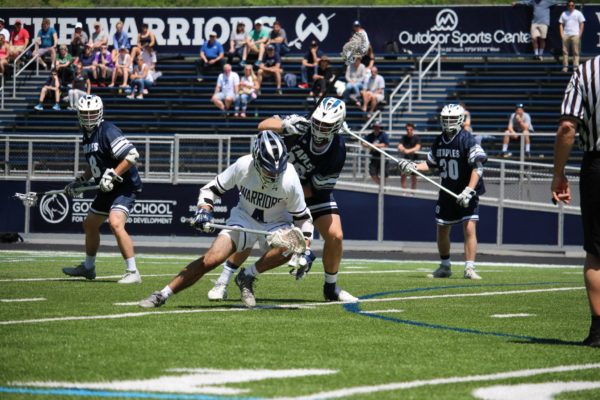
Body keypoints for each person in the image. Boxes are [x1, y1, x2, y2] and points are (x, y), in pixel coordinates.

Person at [139, 131, 314, 308]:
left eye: (277, 168)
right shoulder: (243, 165)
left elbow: (303, 217)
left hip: (276, 223)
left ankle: (248, 276)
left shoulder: (289, 178)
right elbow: (211, 190)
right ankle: (162, 294)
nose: (274, 174)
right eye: (268, 168)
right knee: (211, 259)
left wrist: (305, 248)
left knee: (293, 243)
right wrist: (204, 211)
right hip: (244, 217)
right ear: (256, 159)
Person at [206, 98, 357, 303]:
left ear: (337, 125)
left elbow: (316, 189)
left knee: (336, 236)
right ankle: (222, 281)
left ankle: (330, 288)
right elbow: (262, 126)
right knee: (249, 230)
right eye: (318, 122)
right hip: (274, 185)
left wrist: (305, 247)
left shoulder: (338, 149)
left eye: (326, 125)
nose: (320, 128)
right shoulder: (300, 125)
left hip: (308, 192)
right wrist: (285, 125)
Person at [399, 104, 487, 280]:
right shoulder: (439, 140)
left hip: (466, 191)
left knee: (469, 228)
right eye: (445, 119)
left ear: (460, 119)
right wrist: (413, 166)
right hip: (447, 191)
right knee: (442, 229)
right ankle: (445, 266)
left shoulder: (467, 139)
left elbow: (478, 167)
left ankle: (469, 268)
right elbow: (431, 164)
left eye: (452, 119)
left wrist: (469, 190)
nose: (448, 122)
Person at [62, 94, 143, 284]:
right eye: (85, 113)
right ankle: (88, 267)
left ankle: (133, 272)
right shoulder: (86, 134)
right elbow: (95, 163)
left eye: (92, 113)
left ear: (100, 112)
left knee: (115, 223)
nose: (89, 117)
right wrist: (81, 180)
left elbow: (132, 155)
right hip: (106, 188)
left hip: (124, 186)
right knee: (90, 224)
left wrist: (113, 174)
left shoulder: (107, 130)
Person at [552, 56, 600, 347]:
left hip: (597, 165)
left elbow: (567, 127)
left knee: (596, 253)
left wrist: (558, 174)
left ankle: (598, 332)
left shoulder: (585, 72)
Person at [559, 0, 585, 73]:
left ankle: (575, 68)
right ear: (567, 6)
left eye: (572, 5)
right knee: (565, 52)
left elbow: (582, 23)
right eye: (569, 5)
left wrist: (580, 34)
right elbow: (561, 24)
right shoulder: (564, 13)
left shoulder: (578, 13)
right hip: (566, 35)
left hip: (575, 35)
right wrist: (562, 34)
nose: (571, 7)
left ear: (574, 6)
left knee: (576, 52)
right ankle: (565, 68)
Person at [398, 122, 421, 191]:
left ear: (413, 129)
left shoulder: (417, 138)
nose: (408, 131)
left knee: (413, 178)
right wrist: (403, 149)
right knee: (403, 177)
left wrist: (408, 151)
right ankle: (404, 193)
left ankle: (412, 193)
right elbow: (399, 146)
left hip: (414, 160)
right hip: (405, 159)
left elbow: (417, 147)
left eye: (410, 129)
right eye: (407, 129)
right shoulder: (404, 137)